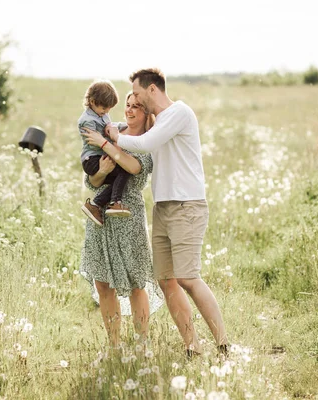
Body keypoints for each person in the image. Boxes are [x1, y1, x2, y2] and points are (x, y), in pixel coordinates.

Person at [106, 68, 229, 358]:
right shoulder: (158, 121)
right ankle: (192, 346)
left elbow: (144, 143)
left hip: (187, 206)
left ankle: (223, 344)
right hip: (163, 207)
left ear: (152, 90)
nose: (133, 99)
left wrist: (110, 137)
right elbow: (133, 130)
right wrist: (103, 124)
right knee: (166, 279)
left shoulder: (179, 113)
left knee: (188, 276)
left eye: (136, 93)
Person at [80, 93, 161, 350]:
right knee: (103, 283)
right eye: (128, 105)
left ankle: (141, 343)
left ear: (147, 112)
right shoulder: (110, 130)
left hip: (128, 215)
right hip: (99, 214)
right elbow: (91, 180)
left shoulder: (147, 140)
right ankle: (114, 344)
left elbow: (134, 166)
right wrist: (101, 172)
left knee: (136, 281)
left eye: (137, 106)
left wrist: (104, 144)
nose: (130, 110)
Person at [78, 79, 131, 226]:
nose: (107, 111)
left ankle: (96, 205)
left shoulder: (102, 114)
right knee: (124, 170)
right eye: (104, 108)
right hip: (93, 159)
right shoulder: (86, 120)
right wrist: (112, 139)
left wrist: (124, 127)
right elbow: (95, 140)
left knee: (118, 180)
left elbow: (110, 126)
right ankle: (114, 202)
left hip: (99, 155)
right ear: (92, 101)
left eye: (109, 109)